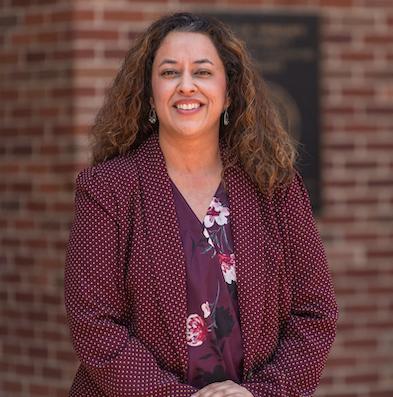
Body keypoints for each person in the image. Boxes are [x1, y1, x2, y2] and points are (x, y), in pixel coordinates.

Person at [64, 12, 338, 397]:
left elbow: (315, 313)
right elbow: (93, 322)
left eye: (203, 72)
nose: (186, 86)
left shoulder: (275, 186)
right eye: (170, 72)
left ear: (229, 92)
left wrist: (261, 393)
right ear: (148, 92)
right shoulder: (108, 189)